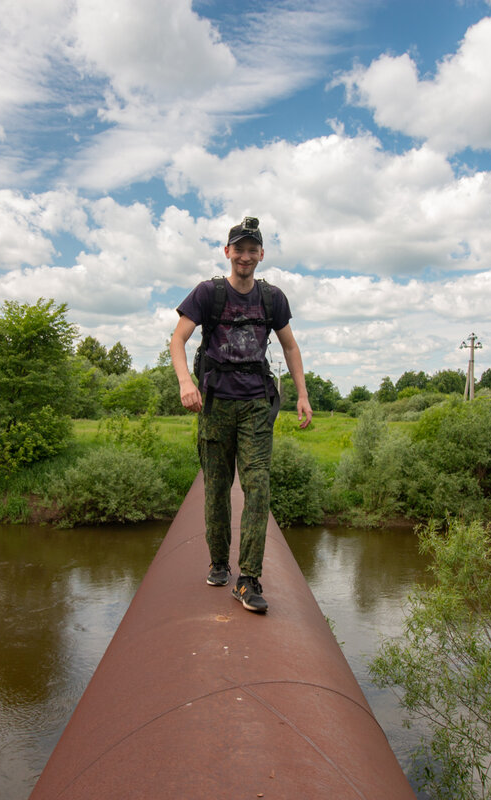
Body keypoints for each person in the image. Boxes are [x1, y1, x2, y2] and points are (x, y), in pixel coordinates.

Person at [169, 216, 313, 613]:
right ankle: (219, 561)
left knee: (258, 486)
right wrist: (186, 383)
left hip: (255, 405)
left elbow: (290, 347)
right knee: (216, 489)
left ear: (261, 254)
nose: (246, 256)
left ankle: (248, 578)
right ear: (227, 251)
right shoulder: (207, 293)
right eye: (240, 248)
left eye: (253, 249)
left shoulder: (272, 298)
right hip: (215, 405)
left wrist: (302, 394)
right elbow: (178, 339)